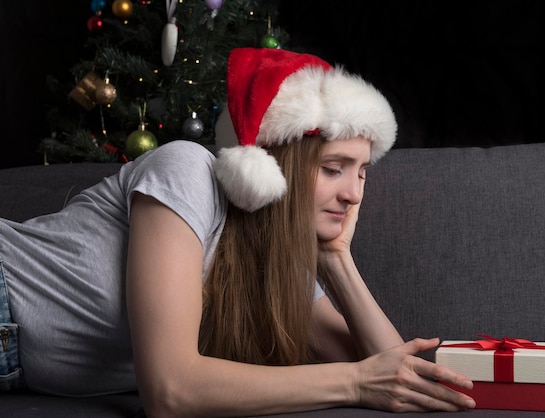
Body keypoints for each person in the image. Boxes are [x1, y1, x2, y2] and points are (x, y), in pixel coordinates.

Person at [0, 47, 476, 416]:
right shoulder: (187, 172)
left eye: (362, 172)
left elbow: (396, 374)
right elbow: (171, 391)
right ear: (273, 166)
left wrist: (336, 259)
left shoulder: (278, 262)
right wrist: (352, 383)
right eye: (334, 168)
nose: (353, 194)